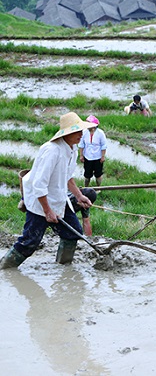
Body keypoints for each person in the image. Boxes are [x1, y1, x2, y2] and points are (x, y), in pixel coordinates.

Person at [0, 112, 96, 269]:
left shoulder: (71, 149)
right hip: (40, 202)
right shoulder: (52, 151)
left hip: (58, 197)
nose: (81, 135)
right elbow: (39, 184)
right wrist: (48, 211)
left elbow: (68, 178)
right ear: (68, 133)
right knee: (29, 242)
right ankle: (5, 270)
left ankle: (63, 269)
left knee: (73, 233)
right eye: (77, 132)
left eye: (81, 131)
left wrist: (79, 196)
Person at [78, 115, 107, 187]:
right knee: (87, 175)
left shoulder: (100, 133)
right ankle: (86, 187)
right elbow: (81, 144)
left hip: (97, 157)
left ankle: (98, 188)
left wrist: (102, 156)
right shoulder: (84, 132)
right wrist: (81, 155)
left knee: (98, 174)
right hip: (87, 157)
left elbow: (103, 146)